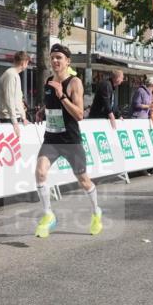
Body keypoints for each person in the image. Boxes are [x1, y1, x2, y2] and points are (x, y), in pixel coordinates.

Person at [33, 44, 102, 238]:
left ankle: (96, 211)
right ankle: (48, 215)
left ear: (67, 61)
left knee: (83, 180)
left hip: (70, 140)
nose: (55, 61)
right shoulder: (48, 80)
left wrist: (61, 95)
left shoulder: (74, 83)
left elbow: (79, 114)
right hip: (51, 138)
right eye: (53, 57)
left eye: (59, 58)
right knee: (40, 172)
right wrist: (41, 112)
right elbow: (51, 106)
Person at [0, 51, 30, 130]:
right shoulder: (11, 75)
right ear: (23, 63)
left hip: (13, 117)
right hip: (9, 118)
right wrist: (15, 122)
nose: (27, 65)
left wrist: (23, 117)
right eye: (27, 63)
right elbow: (10, 99)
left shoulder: (14, 74)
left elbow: (17, 99)